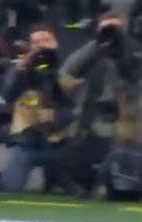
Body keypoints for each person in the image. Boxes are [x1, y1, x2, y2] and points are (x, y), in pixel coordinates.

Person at [57, 10, 141, 194]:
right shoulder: (94, 50)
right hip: (95, 115)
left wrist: (123, 47)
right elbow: (68, 70)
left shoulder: (134, 50)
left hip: (129, 117)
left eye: (115, 29)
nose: (112, 32)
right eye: (107, 28)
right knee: (79, 158)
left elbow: (135, 75)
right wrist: (98, 44)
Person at [0, 25, 78, 194]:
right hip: (27, 142)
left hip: (59, 143)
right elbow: (6, 96)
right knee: (10, 188)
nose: (41, 45)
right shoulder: (21, 70)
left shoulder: (68, 69)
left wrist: (55, 118)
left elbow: (73, 104)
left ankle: (58, 181)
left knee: (76, 190)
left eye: (46, 40)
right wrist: (20, 73)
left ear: (55, 43)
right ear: (29, 47)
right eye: (36, 42)